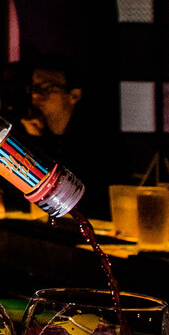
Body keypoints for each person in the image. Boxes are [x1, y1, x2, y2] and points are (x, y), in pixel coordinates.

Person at [18, 55, 117, 218]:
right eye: (34, 87)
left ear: (74, 95)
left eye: (48, 88)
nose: (36, 95)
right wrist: (34, 140)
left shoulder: (97, 141)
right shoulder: (36, 133)